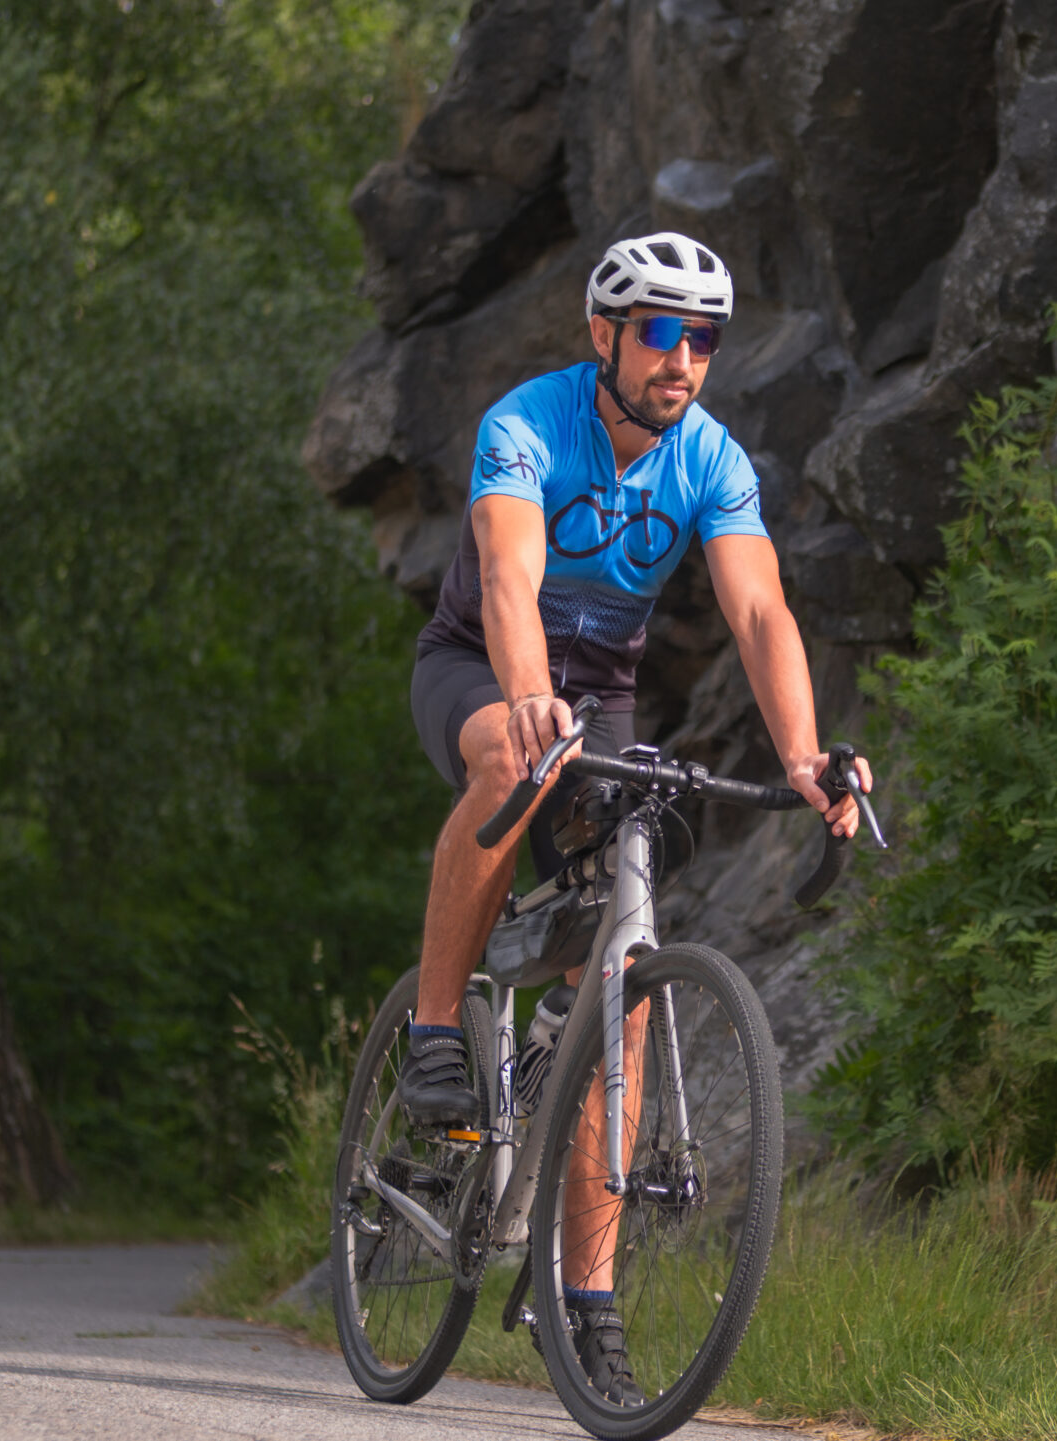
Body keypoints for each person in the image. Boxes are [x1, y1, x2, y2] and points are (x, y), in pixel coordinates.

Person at [398, 231, 872, 1402]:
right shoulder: (527, 425)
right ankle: (435, 1023)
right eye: (660, 330)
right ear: (603, 334)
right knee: (509, 765)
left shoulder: (709, 458)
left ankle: (590, 1299)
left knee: (624, 973)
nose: (683, 358)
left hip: (599, 697)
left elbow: (758, 610)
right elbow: (508, 578)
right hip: (476, 667)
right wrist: (522, 700)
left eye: (703, 336)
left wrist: (805, 755)